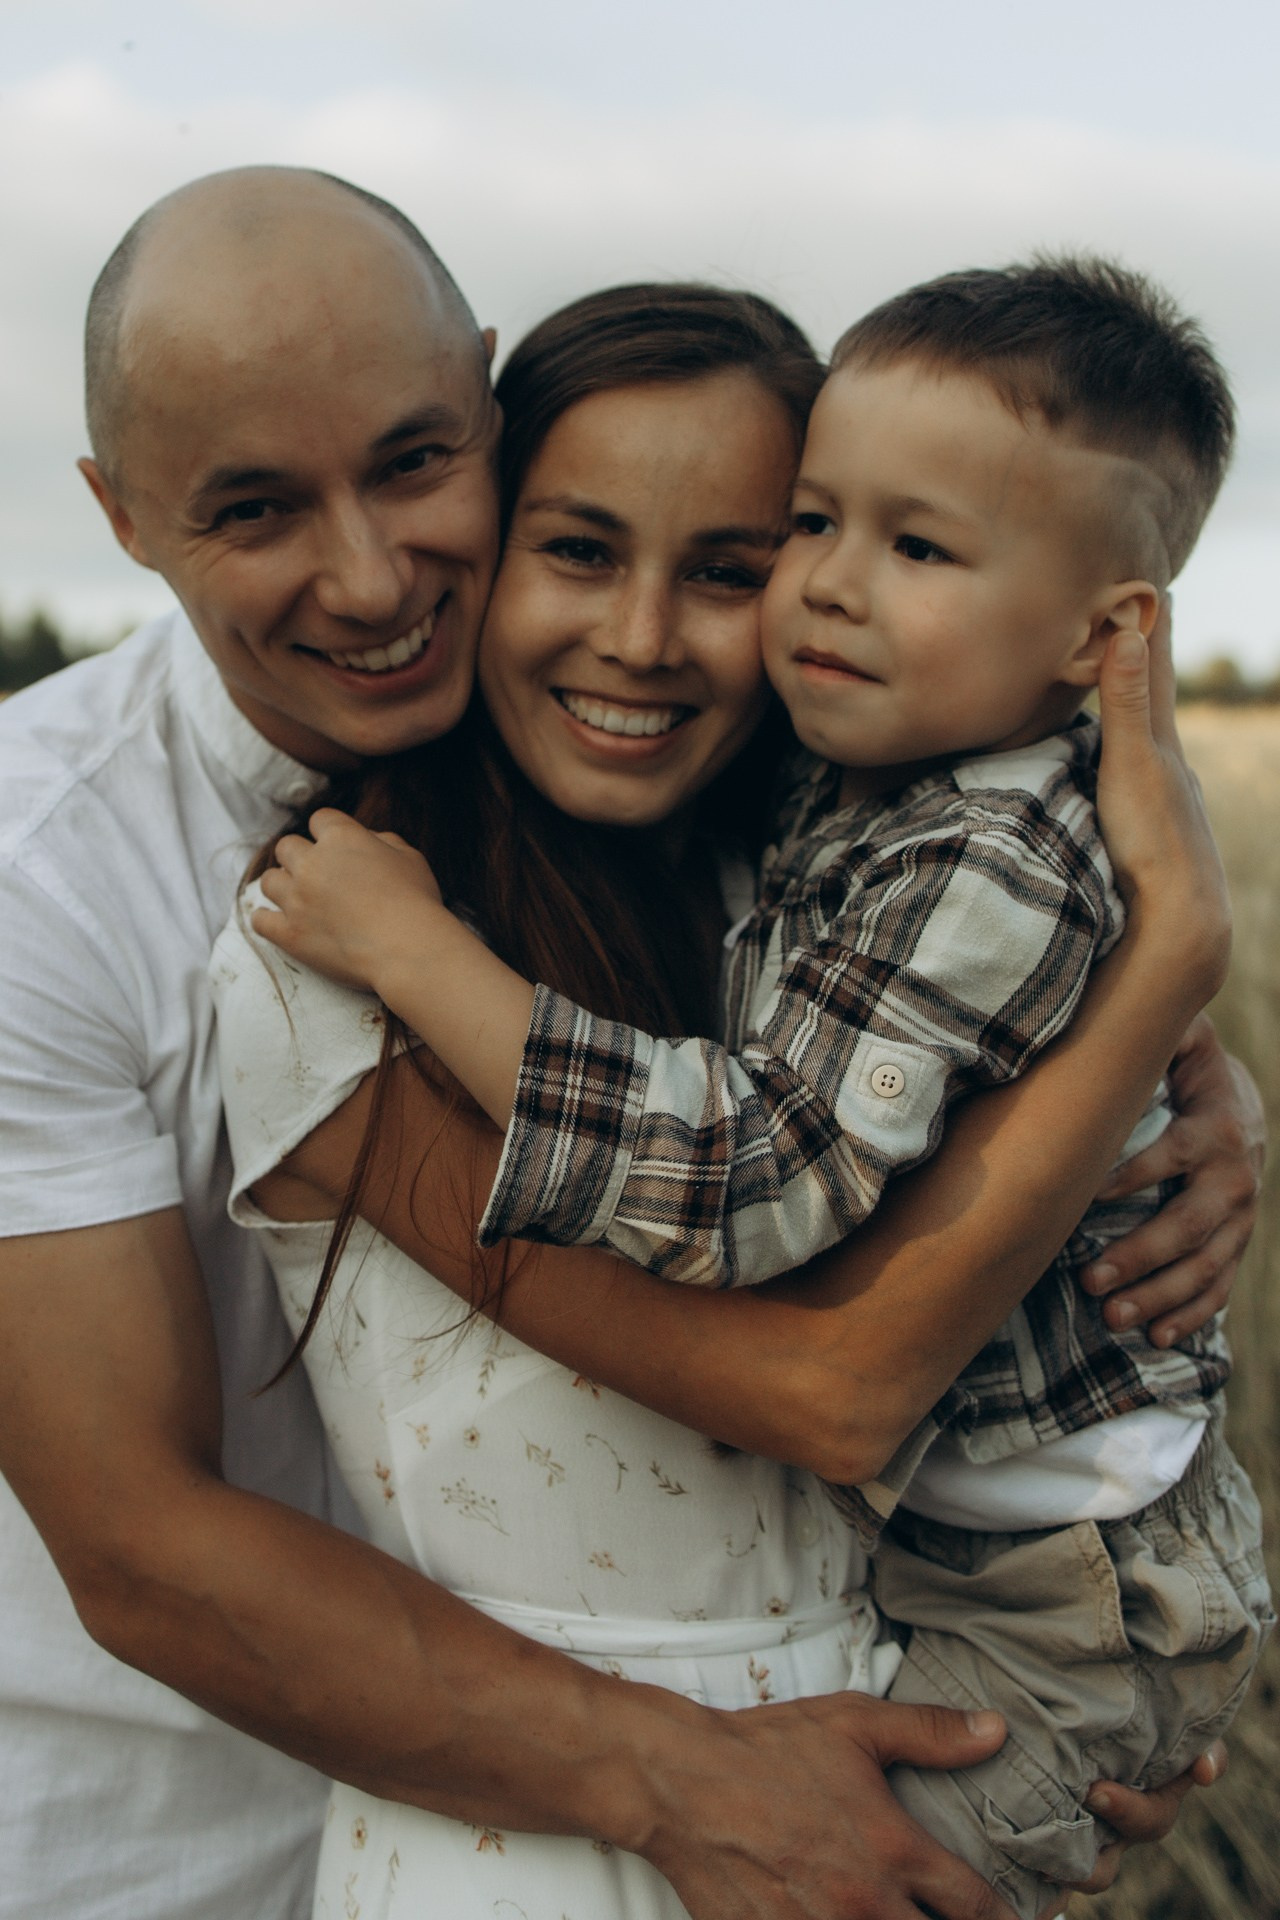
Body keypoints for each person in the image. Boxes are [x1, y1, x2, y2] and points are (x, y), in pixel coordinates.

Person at [3, 169, 1247, 1920]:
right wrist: (1170, 966)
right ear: (121, 517)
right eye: (259, 507)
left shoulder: (787, 862)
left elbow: (960, 961)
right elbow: (833, 1388)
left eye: (420, 466)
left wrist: (1181, 1061)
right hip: (215, 1824)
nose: (370, 577)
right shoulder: (221, 937)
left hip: (817, 1743)